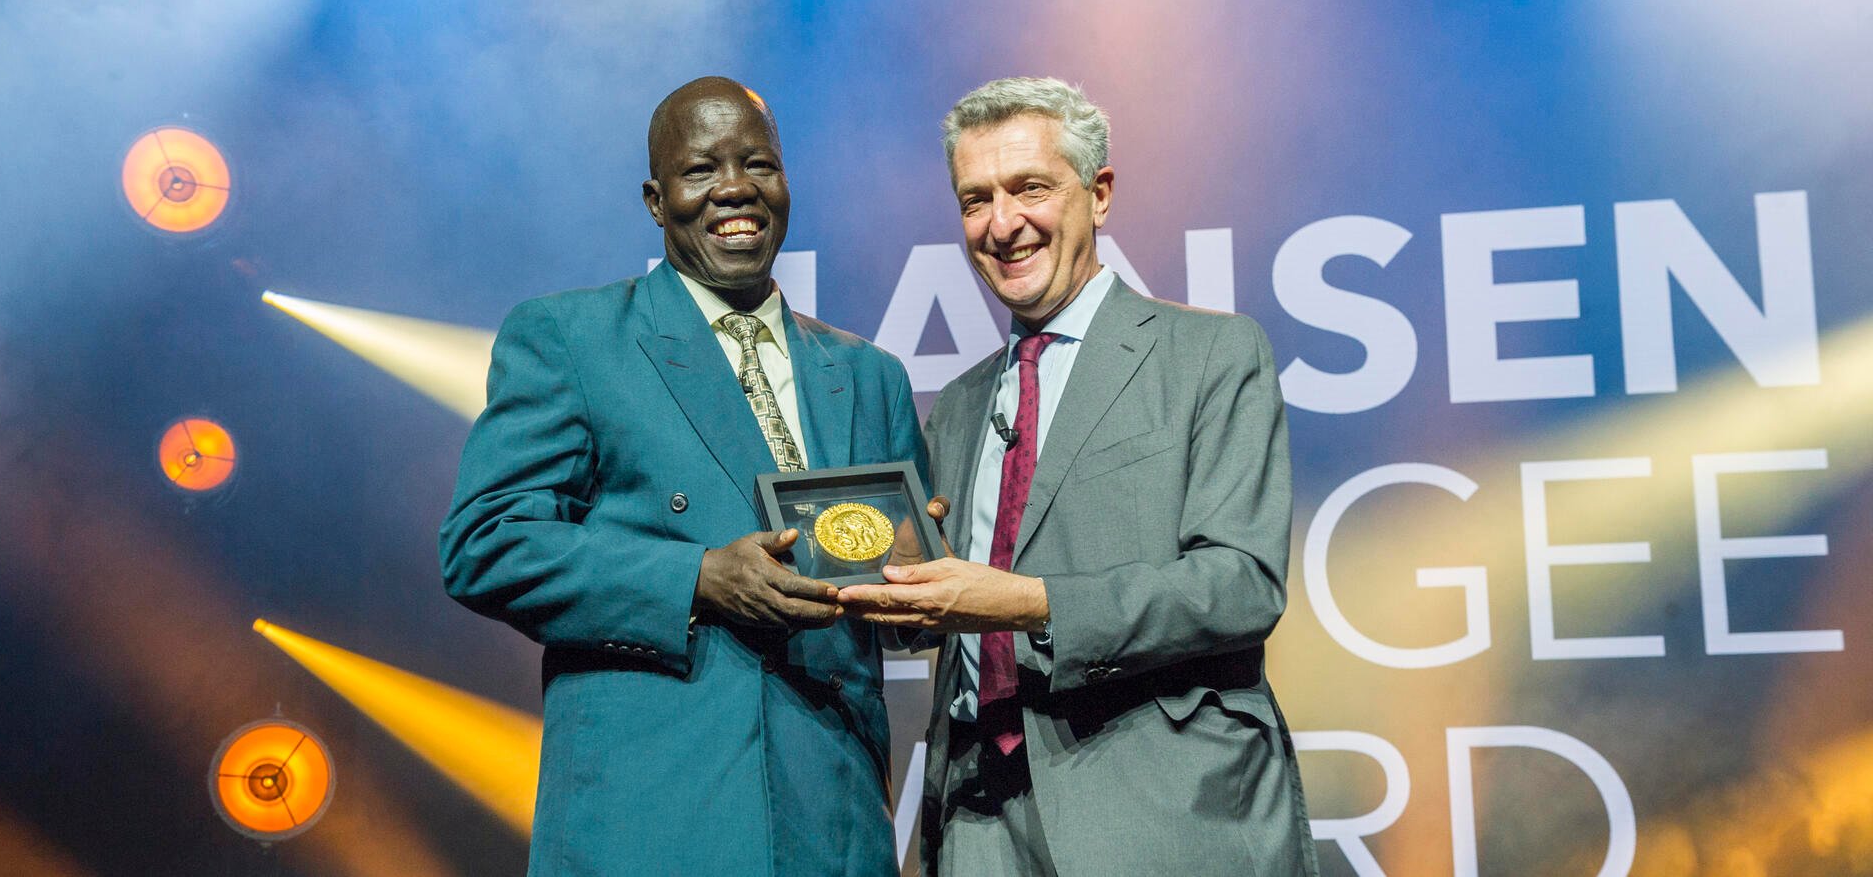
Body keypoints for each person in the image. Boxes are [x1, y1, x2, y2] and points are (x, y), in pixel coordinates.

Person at [439, 76, 920, 876]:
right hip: (653, 818)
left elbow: (896, 594)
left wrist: (917, 596)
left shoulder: (870, 374)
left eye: (758, 164)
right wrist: (695, 576)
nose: (735, 188)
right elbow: (485, 544)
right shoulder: (574, 338)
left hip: (834, 824)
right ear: (656, 202)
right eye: (702, 170)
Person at [841, 77, 1318, 875]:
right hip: (976, 820)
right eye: (974, 199)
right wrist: (891, 595)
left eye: (1029, 188)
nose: (1001, 224)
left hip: (1160, 811)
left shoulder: (1210, 355)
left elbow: (1241, 583)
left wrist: (1029, 603)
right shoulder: (957, 406)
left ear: (1098, 195)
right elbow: (943, 605)